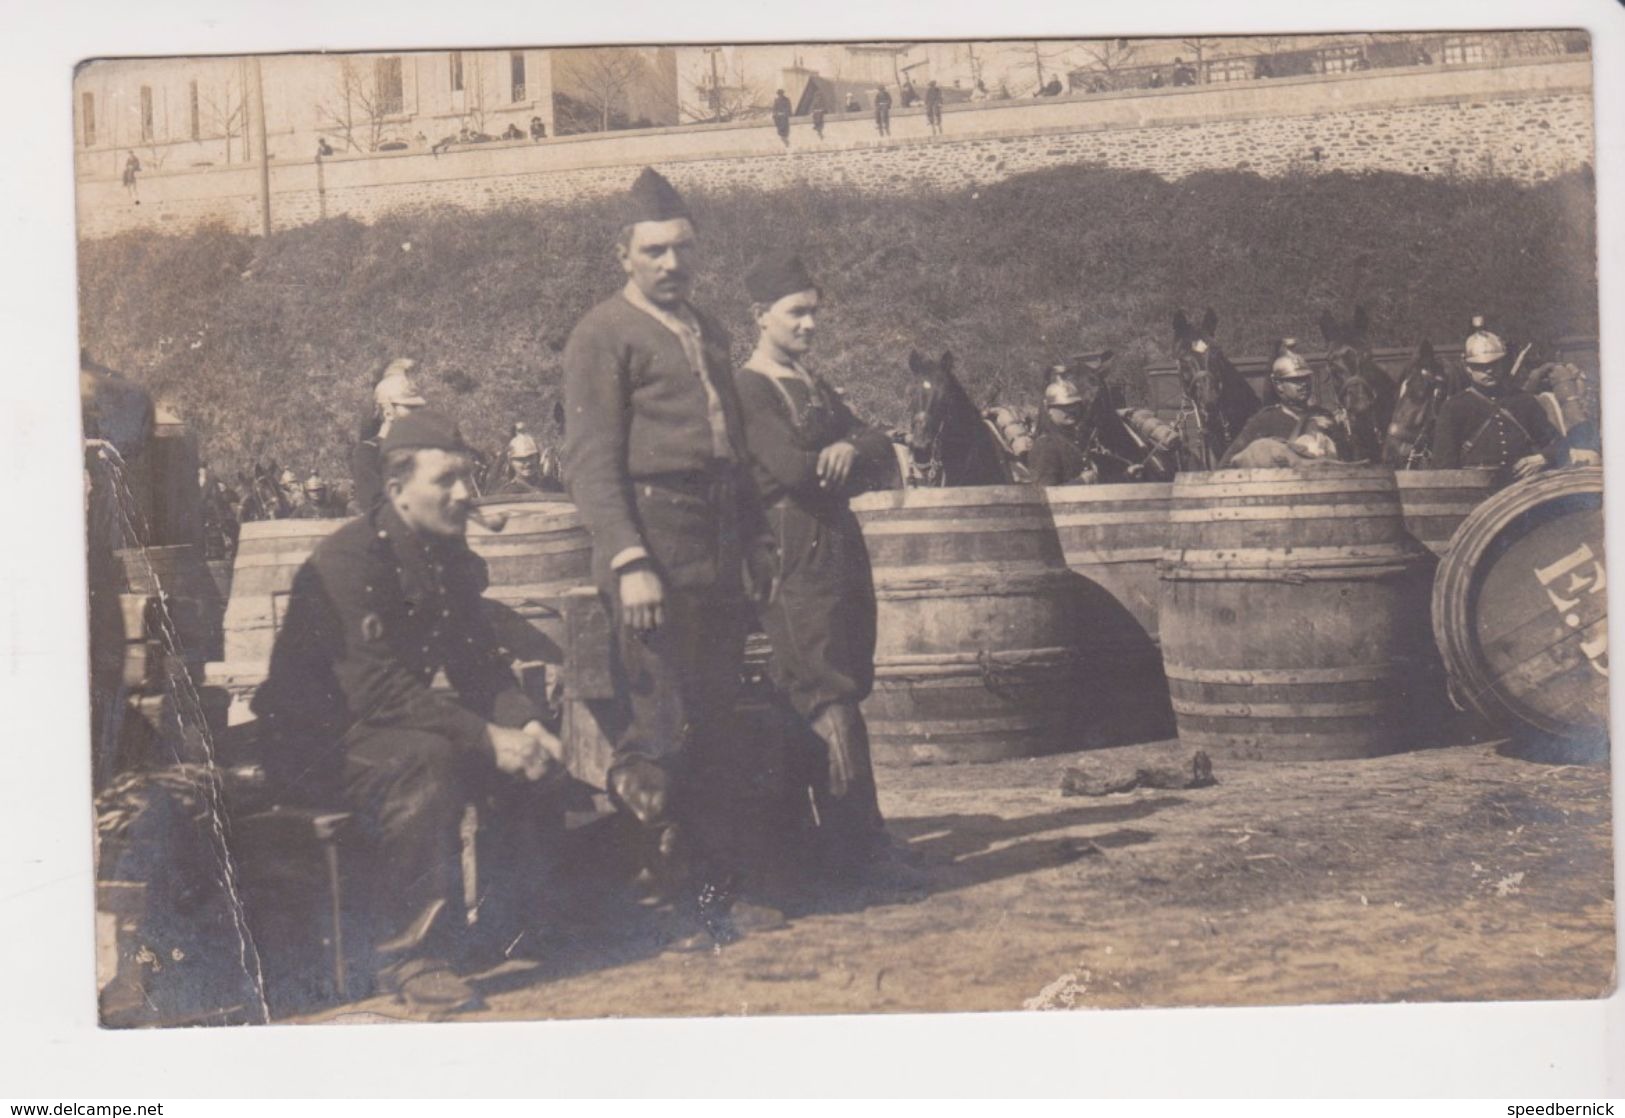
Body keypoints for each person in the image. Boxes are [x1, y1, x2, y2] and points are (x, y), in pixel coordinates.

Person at [251, 409, 564, 1014]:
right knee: (427, 759)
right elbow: (378, 689)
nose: (464, 493)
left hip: (382, 729)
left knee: (531, 749)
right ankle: (410, 956)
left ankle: (513, 926)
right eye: (446, 480)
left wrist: (523, 726)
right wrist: (486, 736)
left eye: (467, 478)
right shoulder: (351, 561)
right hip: (313, 743)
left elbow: (478, 665)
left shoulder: (444, 555)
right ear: (396, 491)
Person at [561, 167, 777, 942]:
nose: (670, 265)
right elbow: (590, 461)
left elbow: (737, 448)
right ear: (623, 254)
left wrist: (750, 538)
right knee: (657, 729)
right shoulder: (601, 334)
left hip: (715, 546)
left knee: (716, 724)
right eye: (653, 251)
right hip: (652, 550)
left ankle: (716, 896)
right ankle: (655, 904)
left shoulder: (708, 330)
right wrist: (627, 561)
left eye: (682, 249)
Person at [732, 251, 910, 888]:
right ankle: (861, 849)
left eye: (815, 313)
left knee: (843, 676)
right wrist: (838, 454)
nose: (810, 325)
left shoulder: (813, 384)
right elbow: (793, 471)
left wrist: (848, 447)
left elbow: (878, 444)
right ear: (761, 317)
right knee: (823, 683)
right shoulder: (748, 389)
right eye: (796, 313)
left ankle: (830, 844)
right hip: (791, 551)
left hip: (835, 544)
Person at [1430, 319, 1566, 481]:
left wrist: (1542, 458)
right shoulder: (1453, 407)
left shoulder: (1524, 401)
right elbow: (1444, 467)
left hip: (1522, 489)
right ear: (1468, 368)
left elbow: (1559, 444)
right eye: (1480, 366)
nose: (1489, 370)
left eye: (1494, 364)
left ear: (1503, 364)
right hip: (1474, 494)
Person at [1219, 352, 1348, 467]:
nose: (1303, 384)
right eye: (1295, 380)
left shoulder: (1324, 415)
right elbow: (1227, 463)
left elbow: (1347, 459)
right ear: (1279, 385)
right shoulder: (1264, 420)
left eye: (1306, 378)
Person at [353, 359, 428, 513]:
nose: (417, 415)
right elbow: (375, 507)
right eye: (409, 407)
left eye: (418, 408)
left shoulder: (420, 450)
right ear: (387, 411)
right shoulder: (367, 454)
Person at [1028, 373, 1096, 486]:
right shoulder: (1045, 445)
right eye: (1063, 406)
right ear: (1049, 410)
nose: (1071, 410)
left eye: (1075, 405)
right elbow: (1046, 494)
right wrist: (1082, 481)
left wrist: (1126, 474)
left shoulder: (1076, 440)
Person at [492, 426, 547, 495]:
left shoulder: (552, 485)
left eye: (530, 457)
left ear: (537, 458)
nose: (527, 463)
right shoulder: (507, 492)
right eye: (520, 459)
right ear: (511, 462)